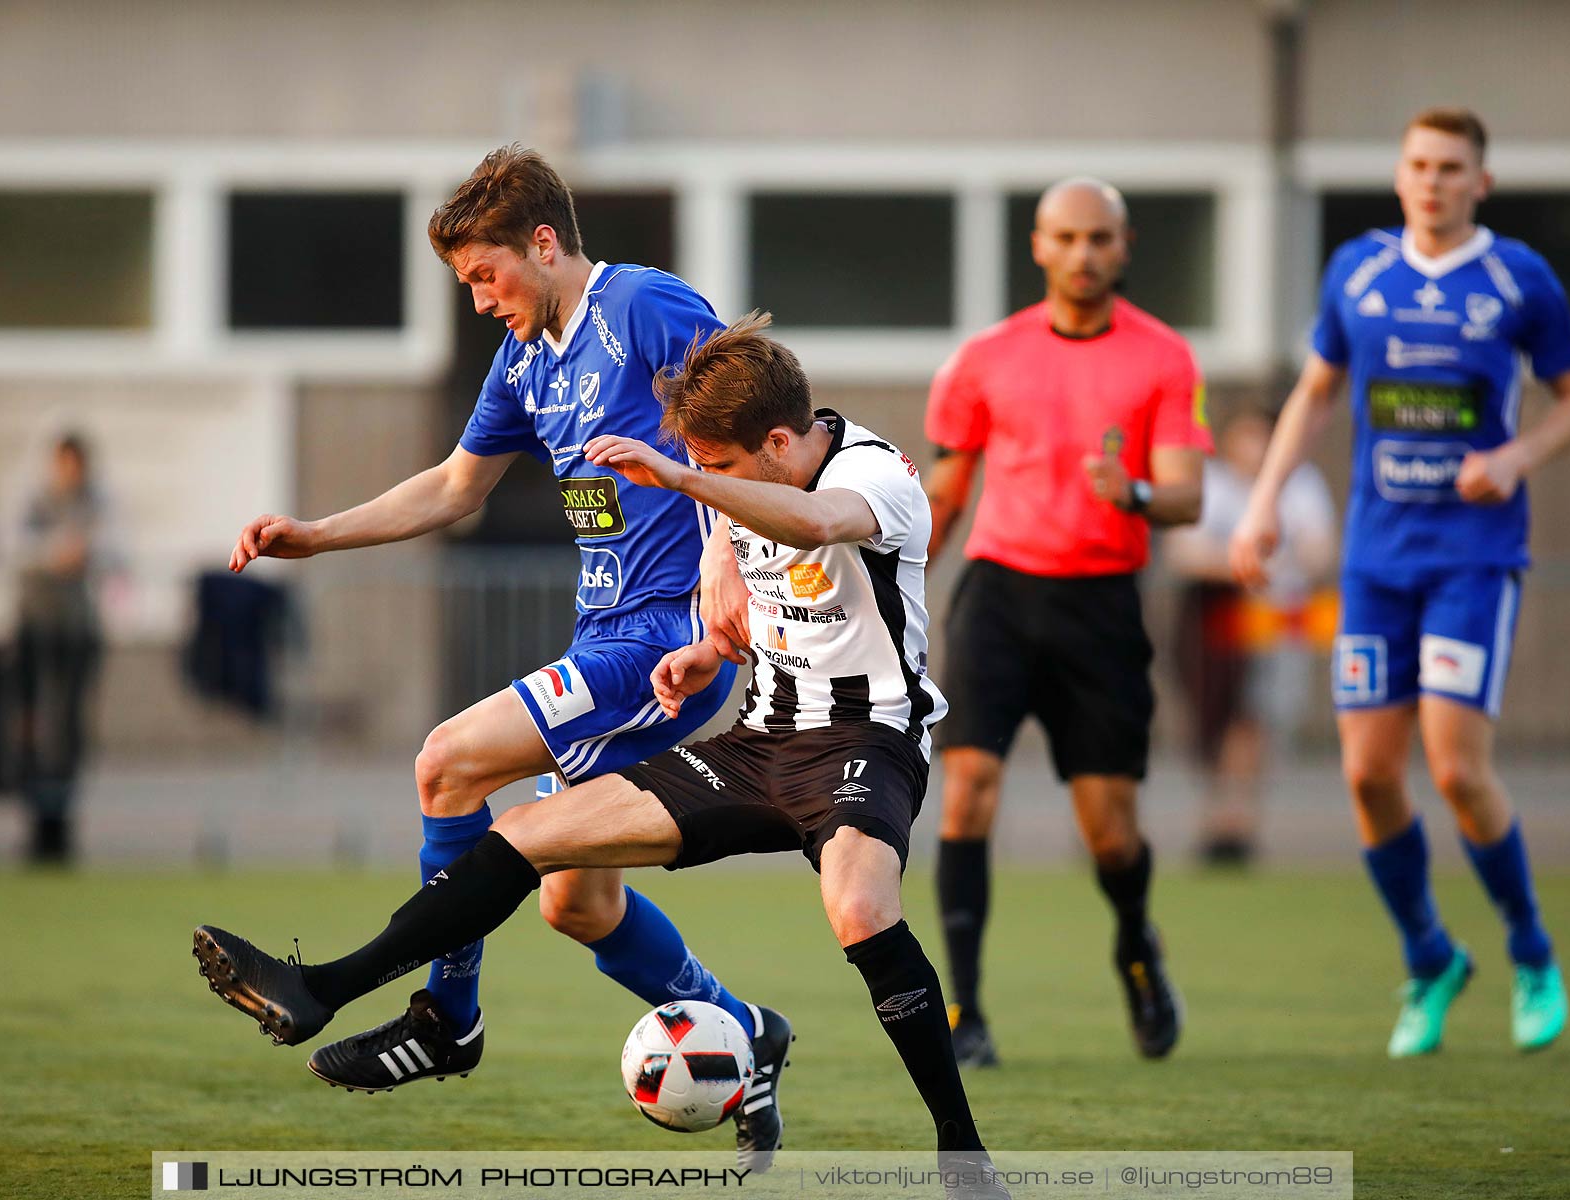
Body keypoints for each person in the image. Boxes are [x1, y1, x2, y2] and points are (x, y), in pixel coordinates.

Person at [192, 315, 1010, 1200]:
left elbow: (814, 525)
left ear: (779, 440)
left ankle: (962, 1158)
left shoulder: (876, 477)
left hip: (865, 742)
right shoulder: (746, 475)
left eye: (724, 469)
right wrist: (709, 651)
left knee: (856, 906)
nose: (711, 488)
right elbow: (762, 575)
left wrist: (678, 474)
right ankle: (324, 988)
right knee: (531, 836)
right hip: (758, 743)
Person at [223, 146, 787, 1164]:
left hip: (662, 642)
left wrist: (726, 574)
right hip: (602, 633)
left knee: (449, 758)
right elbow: (452, 488)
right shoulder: (526, 364)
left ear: (541, 241)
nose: (479, 301)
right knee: (576, 899)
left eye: (484, 275)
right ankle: (747, 1029)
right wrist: (314, 534)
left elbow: (738, 440)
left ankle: (447, 1021)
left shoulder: (648, 309)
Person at [1230, 107, 1570, 1057]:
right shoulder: (1359, 268)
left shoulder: (1519, 278)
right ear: (1400, 177)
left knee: (1454, 766)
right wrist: (1265, 501)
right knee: (1366, 772)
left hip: (1473, 559)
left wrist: (1515, 457)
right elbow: (1314, 392)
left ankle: (1530, 950)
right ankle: (1430, 956)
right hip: (1376, 562)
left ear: (1481, 181)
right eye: (1419, 165)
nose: (1432, 180)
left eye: (1452, 167)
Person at [922, 178, 1212, 1067]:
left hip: (1100, 607)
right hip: (999, 597)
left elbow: (1188, 496)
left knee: (1110, 831)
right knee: (966, 793)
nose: (1083, 253)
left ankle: (1136, 944)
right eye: (1066, 237)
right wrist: (888, 587)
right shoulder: (986, 358)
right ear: (1039, 247)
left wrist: (1133, 493)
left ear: (1124, 247)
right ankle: (964, 1012)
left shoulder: (1163, 359)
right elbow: (946, 491)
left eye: (1100, 238)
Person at [1163, 408, 1336, 864]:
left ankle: (1239, 820)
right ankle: (1219, 815)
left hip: (1276, 621)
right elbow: (1185, 552)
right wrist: (1243, 564)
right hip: (1217, 622)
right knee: (1217, 719)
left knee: (1258, 718)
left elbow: (1319, 550)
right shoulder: (1214, 486)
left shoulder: (1301, 486)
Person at [6, 432, 112, 864]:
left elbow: (115, 547)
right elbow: (13, 544)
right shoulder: (34, 499)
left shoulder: (98, 502)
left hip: (75, 628)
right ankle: (37, 822)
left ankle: (61, 819)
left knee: (68, 729)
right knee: (34, 725)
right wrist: (55, 553)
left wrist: (85, 553)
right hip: (36, 627)